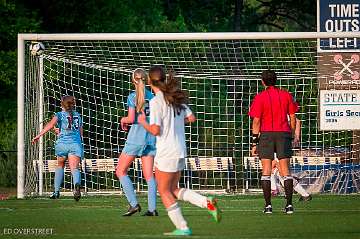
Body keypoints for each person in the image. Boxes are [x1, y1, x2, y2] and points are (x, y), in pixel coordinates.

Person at [138, 65, 221, 236]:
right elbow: (191, 118)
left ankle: (183, 227)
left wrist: (143, 122)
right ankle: (207, 202)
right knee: (174, 189)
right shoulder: (174, 98)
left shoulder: (156, 101)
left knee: (164, 191)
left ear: (149, 82)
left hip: (166, 152)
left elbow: (156, 130)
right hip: (180, 150)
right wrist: (174, 124)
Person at [249, 70, 298, 214]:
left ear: (262, 82)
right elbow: (293, 117)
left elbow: (256, 121)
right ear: (276, 80)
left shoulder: (260, 97)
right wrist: (291, 133)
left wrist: (254, 142)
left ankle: (268, 206)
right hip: (283, 134)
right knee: (285, 171)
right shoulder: (286, 95)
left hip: (266, 135)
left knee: (266, 171)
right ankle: (289, 206)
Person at [115, 68, 158, 216]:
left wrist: (123, 120)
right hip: (151, 138)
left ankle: (134, 204)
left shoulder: (132, 96)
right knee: (149, 175)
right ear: (146, 80)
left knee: (120, 171)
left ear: (133, 80)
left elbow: (132, 118)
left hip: (136, 138)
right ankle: (152, 209)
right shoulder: (153, 97)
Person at [32, 95, 83, 201]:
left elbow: (51, 124)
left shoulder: (59, 114)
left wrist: (38, 135)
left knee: (60, 165)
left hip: (62, 144)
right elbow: (79, 132)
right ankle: (77, 185)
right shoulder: (78, 115)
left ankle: (56, 192)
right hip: (75, 144)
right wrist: (80, 143)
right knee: (74, 168)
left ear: (62, 104)